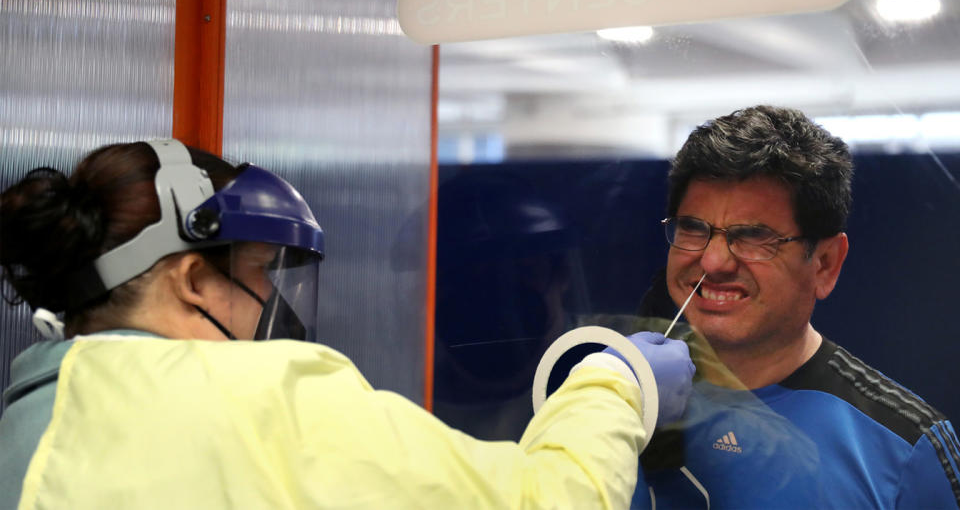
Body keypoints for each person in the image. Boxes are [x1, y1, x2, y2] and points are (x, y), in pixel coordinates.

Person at [0, 139, 695, 509]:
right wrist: (616, 380)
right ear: (193, 278)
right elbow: (548, 503)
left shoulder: (28, 423)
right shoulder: (262, 398)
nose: (273, 301)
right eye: (262, 271)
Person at [630, 105, 960, 509]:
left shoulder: (905, 446)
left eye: (754, 236)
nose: (713, 262)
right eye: (694, 228)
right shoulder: (617, 402)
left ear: (825, 263)